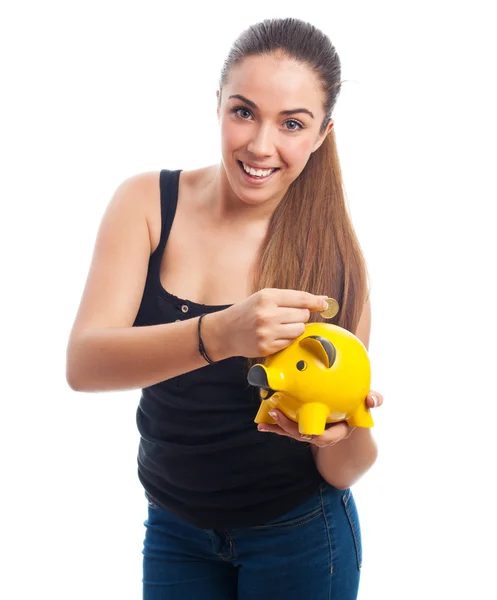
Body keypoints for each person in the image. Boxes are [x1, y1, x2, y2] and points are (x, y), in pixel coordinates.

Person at [66, 16, 383, 600]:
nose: (261, 145)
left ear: (321, 134)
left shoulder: (334, 262)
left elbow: (344, 470)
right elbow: (84, 366)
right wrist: (220, 333)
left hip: (302, 536)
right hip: (174, 529)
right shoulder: (148, 203)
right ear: (217, 106)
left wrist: (339, 432)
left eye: (292, 124)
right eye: (244, 112)